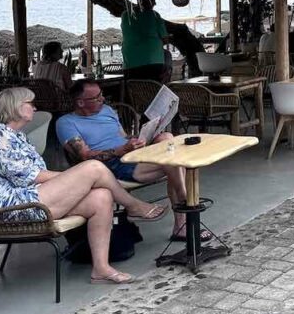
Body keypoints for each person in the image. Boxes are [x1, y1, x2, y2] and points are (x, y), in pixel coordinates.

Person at [0, 87, 167, 285]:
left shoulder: (16, 136)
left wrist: (75, 179)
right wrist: (75, 177)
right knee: (93, 168)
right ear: (15, 107)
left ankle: (101, 268)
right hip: (16, 207)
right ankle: (133, 206)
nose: (35, 107)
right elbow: (32, 177)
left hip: (33, 198)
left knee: (101, 197)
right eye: (30, 103)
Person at [56, 79, 207, 243]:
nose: (103, 99)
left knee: (167, 138)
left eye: (102, 95)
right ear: (80, 102)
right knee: (174, 161)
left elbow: (122, 137)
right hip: (109, 165)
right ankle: (184, 209)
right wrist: (120, 150)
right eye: (97, 97)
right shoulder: (66, 123)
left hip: (130, 154)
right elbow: (85, 156)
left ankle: (183, 211)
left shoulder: (106, 110)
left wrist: (138, 139)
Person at [120, 0, 169, 82]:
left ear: (138, 0)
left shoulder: (125, 15)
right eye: (153, 1)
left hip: (130, 62)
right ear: (151, 2)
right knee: (153, 89)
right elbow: (165, 39)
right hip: (153, 61)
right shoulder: (155, 15)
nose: (155, 3)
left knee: (133, 90)